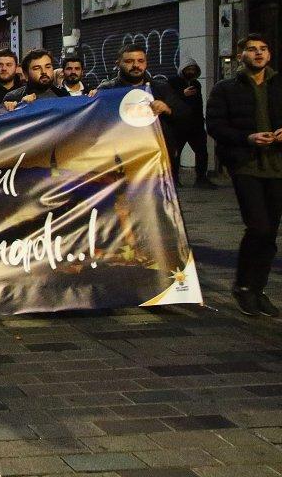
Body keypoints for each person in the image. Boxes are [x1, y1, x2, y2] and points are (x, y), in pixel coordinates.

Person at [206, 34, 282, 316]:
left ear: (269, 54)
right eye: (252, 49)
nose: (258, 53)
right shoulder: (225, 88)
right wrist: (247, 138)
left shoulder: (278, 84)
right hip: (246, 165)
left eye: (263, 49)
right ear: (241, 56)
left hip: (277, 166)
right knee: (258, 226)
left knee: (270, 232)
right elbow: (215, 126)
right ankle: (243, 285)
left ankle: (258, 289)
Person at [94, 44, 189, 153]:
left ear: (146, 63)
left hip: (156, 156)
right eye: (129, 61)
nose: (136, 65)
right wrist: (92, 99)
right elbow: (94, 124)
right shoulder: (106, 90)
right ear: (118, 64)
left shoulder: (161, 88)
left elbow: (186, 116)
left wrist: (168, 109)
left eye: (140, 61)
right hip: (120, 155)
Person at [168, 58, 214, 187]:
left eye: (193, 69)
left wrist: (201, 120)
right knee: (175, 154)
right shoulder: (173, 82)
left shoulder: (196, 84)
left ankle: (201, 178)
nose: (191, 71)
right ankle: (174, 180)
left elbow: (199, 103)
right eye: (188, 69)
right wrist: (182, 94)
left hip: (195, 125)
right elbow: (168, 100)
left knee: (202, 152)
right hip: (178, 125)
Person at [4, 48, 69, 107]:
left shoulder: (63, 94)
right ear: (26, 74)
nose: (44, 72)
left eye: (48, 67)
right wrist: (20, 106)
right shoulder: (13, 97)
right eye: (37, 68)